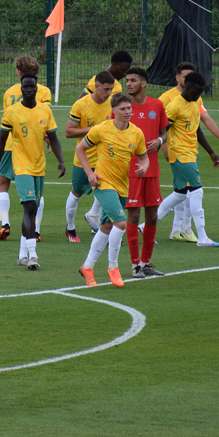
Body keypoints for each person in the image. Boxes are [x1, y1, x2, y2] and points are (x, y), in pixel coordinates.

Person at [0, 75, 66, 269]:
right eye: (25, 87)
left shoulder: (45, 111)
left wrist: (60, 160)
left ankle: (21, 255)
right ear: (21, 89)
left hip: (39, 166)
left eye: (32, 86)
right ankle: (33, 255)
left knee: (32, 210)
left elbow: (53, 137)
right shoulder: (12, 112)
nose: (29, 90)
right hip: (21, 166)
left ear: (36, 89)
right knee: (30, 206)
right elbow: (1, 142)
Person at [76, 92, 147, 288]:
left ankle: (87, 267)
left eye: (129, 108)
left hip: (122, 187)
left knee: (106, 227)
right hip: (102, 183)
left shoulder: (136, 133)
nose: (127, 112)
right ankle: (113, 267)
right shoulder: (101, 129)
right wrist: (89, 173)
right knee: (121, 223)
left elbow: (144, 158)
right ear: (114, 110)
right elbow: (80, 149)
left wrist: (144, 167)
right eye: (123, 109)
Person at [158, 72, 219, 248]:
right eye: (196, 93)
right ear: (187, 87)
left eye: (200, 93)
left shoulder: (195, 101)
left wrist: (211, 152)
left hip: (191, 153)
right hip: (180, 154)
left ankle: (146, 226)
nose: (198, 96)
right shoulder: (174, 106)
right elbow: (162, 130)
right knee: (197, 191)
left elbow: (196, 129)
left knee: (180, 193)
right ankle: (202, 237)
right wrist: (155, 150)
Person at [0, 55, 53, 242]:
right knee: (36, 193)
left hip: (10, 144)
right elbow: (44, 119)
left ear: (19, 71)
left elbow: (6, 122)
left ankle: (5, 223)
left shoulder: (9, 93)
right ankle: (36, 230)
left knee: (3, 184)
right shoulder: (43, 91)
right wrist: (48, 138)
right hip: (31, 147)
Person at [122, 67, 168, 278]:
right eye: (127, 80)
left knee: (152, 216)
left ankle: (146, 263)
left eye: (133, 80)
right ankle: (135, 266)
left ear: (143, 83)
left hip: (152, 170)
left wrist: (159, 141)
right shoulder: (123, 107)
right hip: (131, 170)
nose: (128, 84)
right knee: (133, 214)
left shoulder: (157, 105)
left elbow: (164, 133)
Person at [64, 71, 115, 242]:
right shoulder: (81, 105)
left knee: (108, 191)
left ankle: (101, 225)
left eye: (111, 89)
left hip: (105, 158)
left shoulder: (112, 104)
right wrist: (94, 130)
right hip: (84, 158)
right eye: (106, 89)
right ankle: (70, 227)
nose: (109, 93)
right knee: (76, 192)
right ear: (96, 87)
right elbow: (69, 132)